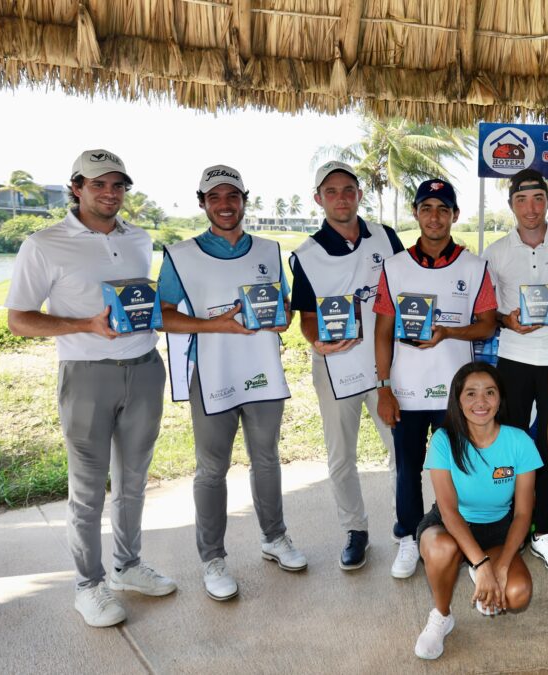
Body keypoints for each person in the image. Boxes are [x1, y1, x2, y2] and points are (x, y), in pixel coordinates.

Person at [5, 149, 176, 627]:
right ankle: (88, 585)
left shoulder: (139, 238)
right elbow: (19, 320)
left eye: (118, 184)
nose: (110, 193)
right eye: (98, 183)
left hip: (144, 368)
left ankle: (127, 566)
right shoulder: (44, 244)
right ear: (76, 187)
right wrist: (86, 324)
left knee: (133, 480)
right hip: (86, 374)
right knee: (87, 488)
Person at [159, 165, 307, 601]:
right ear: (202, 202)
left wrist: (282, 318)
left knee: (267, 459)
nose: (225, 205)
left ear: (245, 199)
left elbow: (282, 307)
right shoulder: (181, 255)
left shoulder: (268, 249)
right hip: (212, 372)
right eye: (215, 197)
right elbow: (163, 315)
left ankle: (274, 538)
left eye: (232, 196)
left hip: (262, 371)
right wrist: (215, 326)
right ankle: (212, 558)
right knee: (212, 469)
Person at [374, 178, 499, 579]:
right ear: (416, 213)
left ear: (454, 215)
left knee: (461, 468)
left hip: (457, 393)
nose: (434, 217)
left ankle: (460, 538)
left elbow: (488, 325)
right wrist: (384, 388)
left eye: (443, 209)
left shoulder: (474, 267)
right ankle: (409, 537)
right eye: (426, 208)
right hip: (407, 390)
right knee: (408, 469)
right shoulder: (394, 267)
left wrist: (448, 333)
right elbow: (382, 332)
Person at [289, 161, 401, 571]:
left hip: (386, 365)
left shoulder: (385, 237)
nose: (341, 198)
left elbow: (404, 289)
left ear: (359, 195)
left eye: (348, 190)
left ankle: (407, 526)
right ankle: (355, 530)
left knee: (400, 449)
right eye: (331, 191)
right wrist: (316, 340)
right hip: (335, 367)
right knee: (341, 456)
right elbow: (306, 317)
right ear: (318, 198)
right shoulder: (306, 255)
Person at [482, 168, 548, 573]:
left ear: (547, 201)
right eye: (521, 200)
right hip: (514, 360)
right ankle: (508, 524)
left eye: (538, 198)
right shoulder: (496, 252)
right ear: (511, 205)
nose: (530, 207)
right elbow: (487, 311)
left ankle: (542, 531)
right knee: (510, 446)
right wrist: (506, 320)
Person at [413, 362, 540, 659]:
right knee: (441, 549)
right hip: (451, 526)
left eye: (489, 393)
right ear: (458, 400)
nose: (480, 402)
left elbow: (523, 513)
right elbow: (449, 511)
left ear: (500, 398)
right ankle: (442, 615)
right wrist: (483, 566)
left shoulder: (519, 441)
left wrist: (502, 565)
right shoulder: (444, 440)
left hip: (498, 530)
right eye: (470, 393)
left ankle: (481, 566)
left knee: (517, 594)